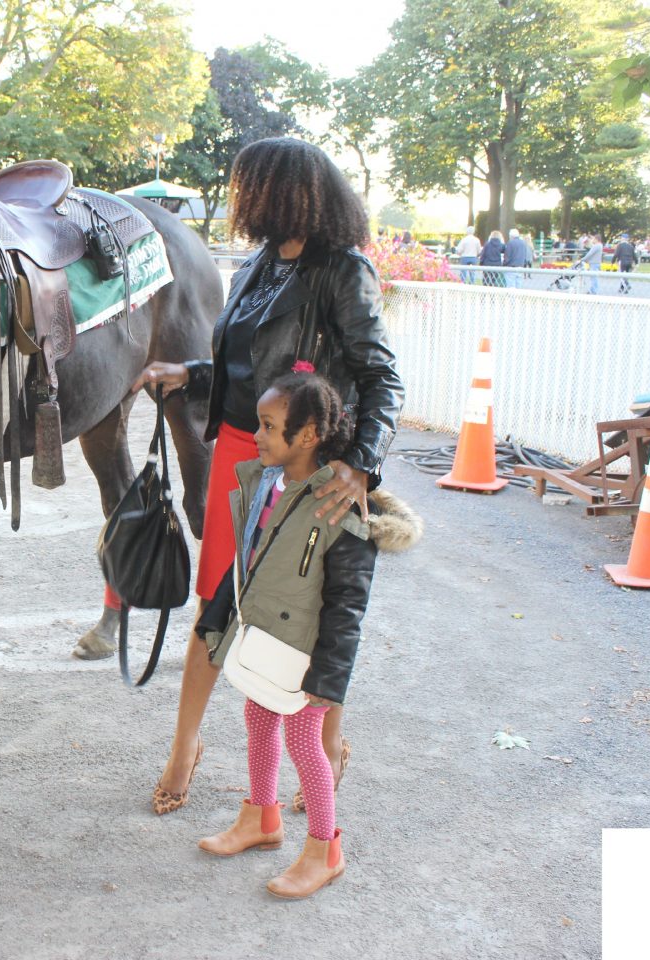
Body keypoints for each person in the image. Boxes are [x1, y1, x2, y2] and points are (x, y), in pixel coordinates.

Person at [133, 137, 404, 818]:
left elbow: (382, 377)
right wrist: (188, 376)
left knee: (306, 615)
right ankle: (184, 747)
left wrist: (361, 464)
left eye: (249, 187)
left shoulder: (343, 272)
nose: (238, 200)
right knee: (216, 609)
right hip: (236, 455)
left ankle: (330, 743)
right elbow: (250, 370)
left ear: (286, 194)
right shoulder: (259, 267)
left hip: (306, 464)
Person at [191, 373, 419, 900]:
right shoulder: (269, 485)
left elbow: (347, 608)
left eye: (270, 427)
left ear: (309, 434)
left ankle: (324, 849)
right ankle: (261, 817)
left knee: (304, 740)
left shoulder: (343, 510)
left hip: (308, 654)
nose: (258, 436)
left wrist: (328, 679)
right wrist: (218, 617)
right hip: (267, 641)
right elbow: (246, 563)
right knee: (257, 717)